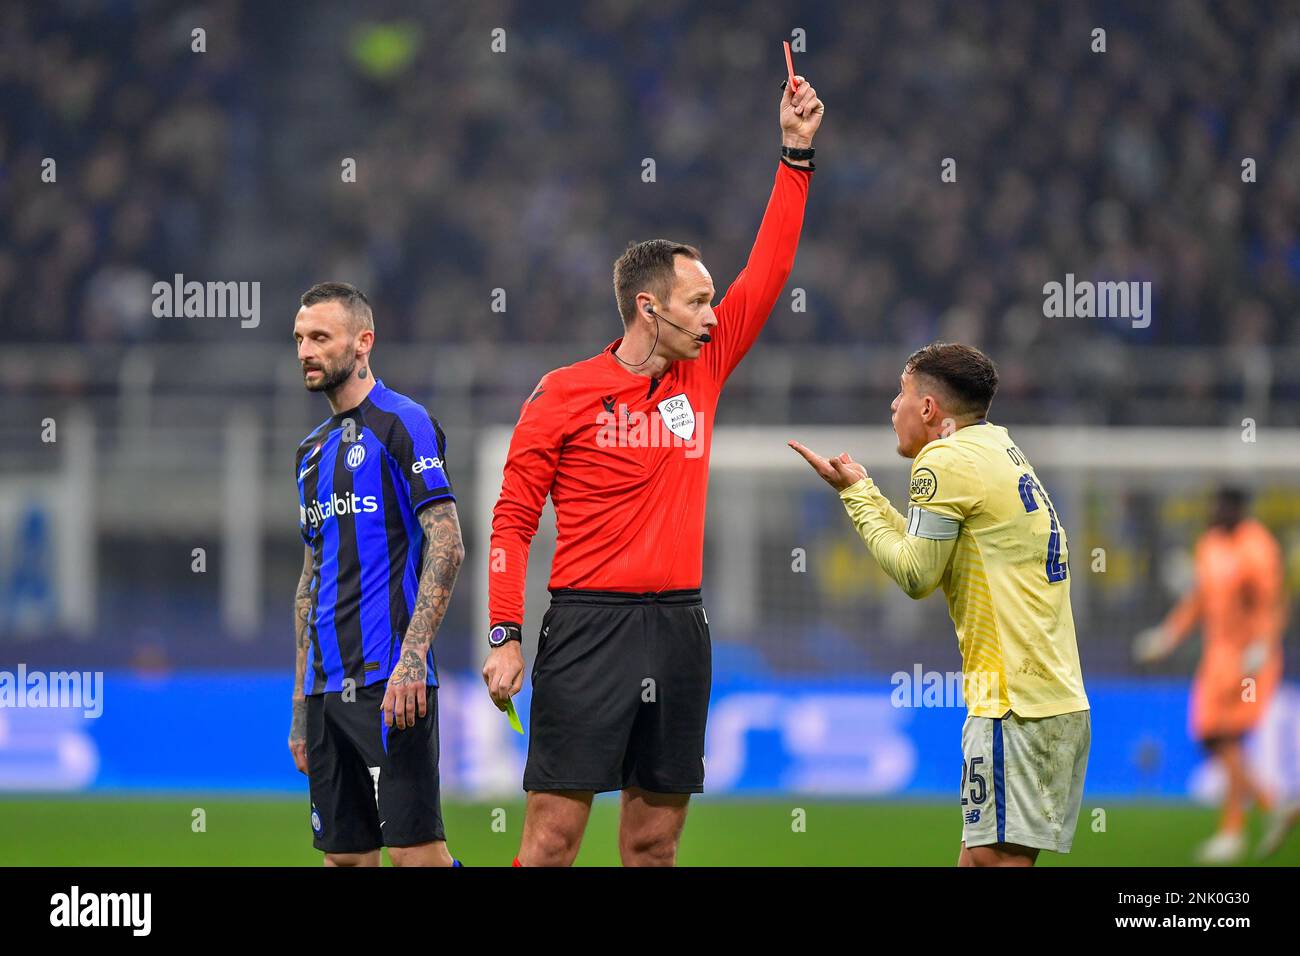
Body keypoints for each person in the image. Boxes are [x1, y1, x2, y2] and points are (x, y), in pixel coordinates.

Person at [482, 73, 824, 866]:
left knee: (654, 846)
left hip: (678, 629)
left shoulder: (701, 372)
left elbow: (767, 273)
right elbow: (512, 518)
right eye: (698, 301)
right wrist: (504, 631)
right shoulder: (562, 395)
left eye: (712, 302)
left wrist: (795, 155)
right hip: (585, 628)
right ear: (649, 307)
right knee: (550, 842)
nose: (714, 315)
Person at [791, 342, 1090, 867]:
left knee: (992, 861)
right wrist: (864, 490)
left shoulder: (944, 459)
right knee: (981, 860)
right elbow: (929, 551)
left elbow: (915, 574)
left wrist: (857, 499)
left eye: (901, 393)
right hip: (1049, 698)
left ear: (929, 409)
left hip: (1011, 704)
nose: (892, 406)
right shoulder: (998, 448)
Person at [288, 281, 465, 867]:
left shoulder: (404, 423)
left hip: (392, 682)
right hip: (323, 691)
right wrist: (300, 706)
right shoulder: (310, 453)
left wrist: (413, 659)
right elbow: (310, 580)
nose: (306, 351)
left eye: (320, 337)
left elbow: (448, 544)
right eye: (299, 339)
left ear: (363, 342)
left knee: (416, 855)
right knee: (345, 859)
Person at [1133, 486, 1290, 862]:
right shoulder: (1210, 545)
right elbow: (1199, 600)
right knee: (1217, 740)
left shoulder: (1258, 547)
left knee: (1223, 737)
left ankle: (1237, 829)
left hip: (1249, 661)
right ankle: (1265, 810)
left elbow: (1271, 604)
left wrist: (1262, 645)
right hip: (1218, 659)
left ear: (1238, 508)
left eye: (1221, 505)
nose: (1214, 510)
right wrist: (1168, 635)